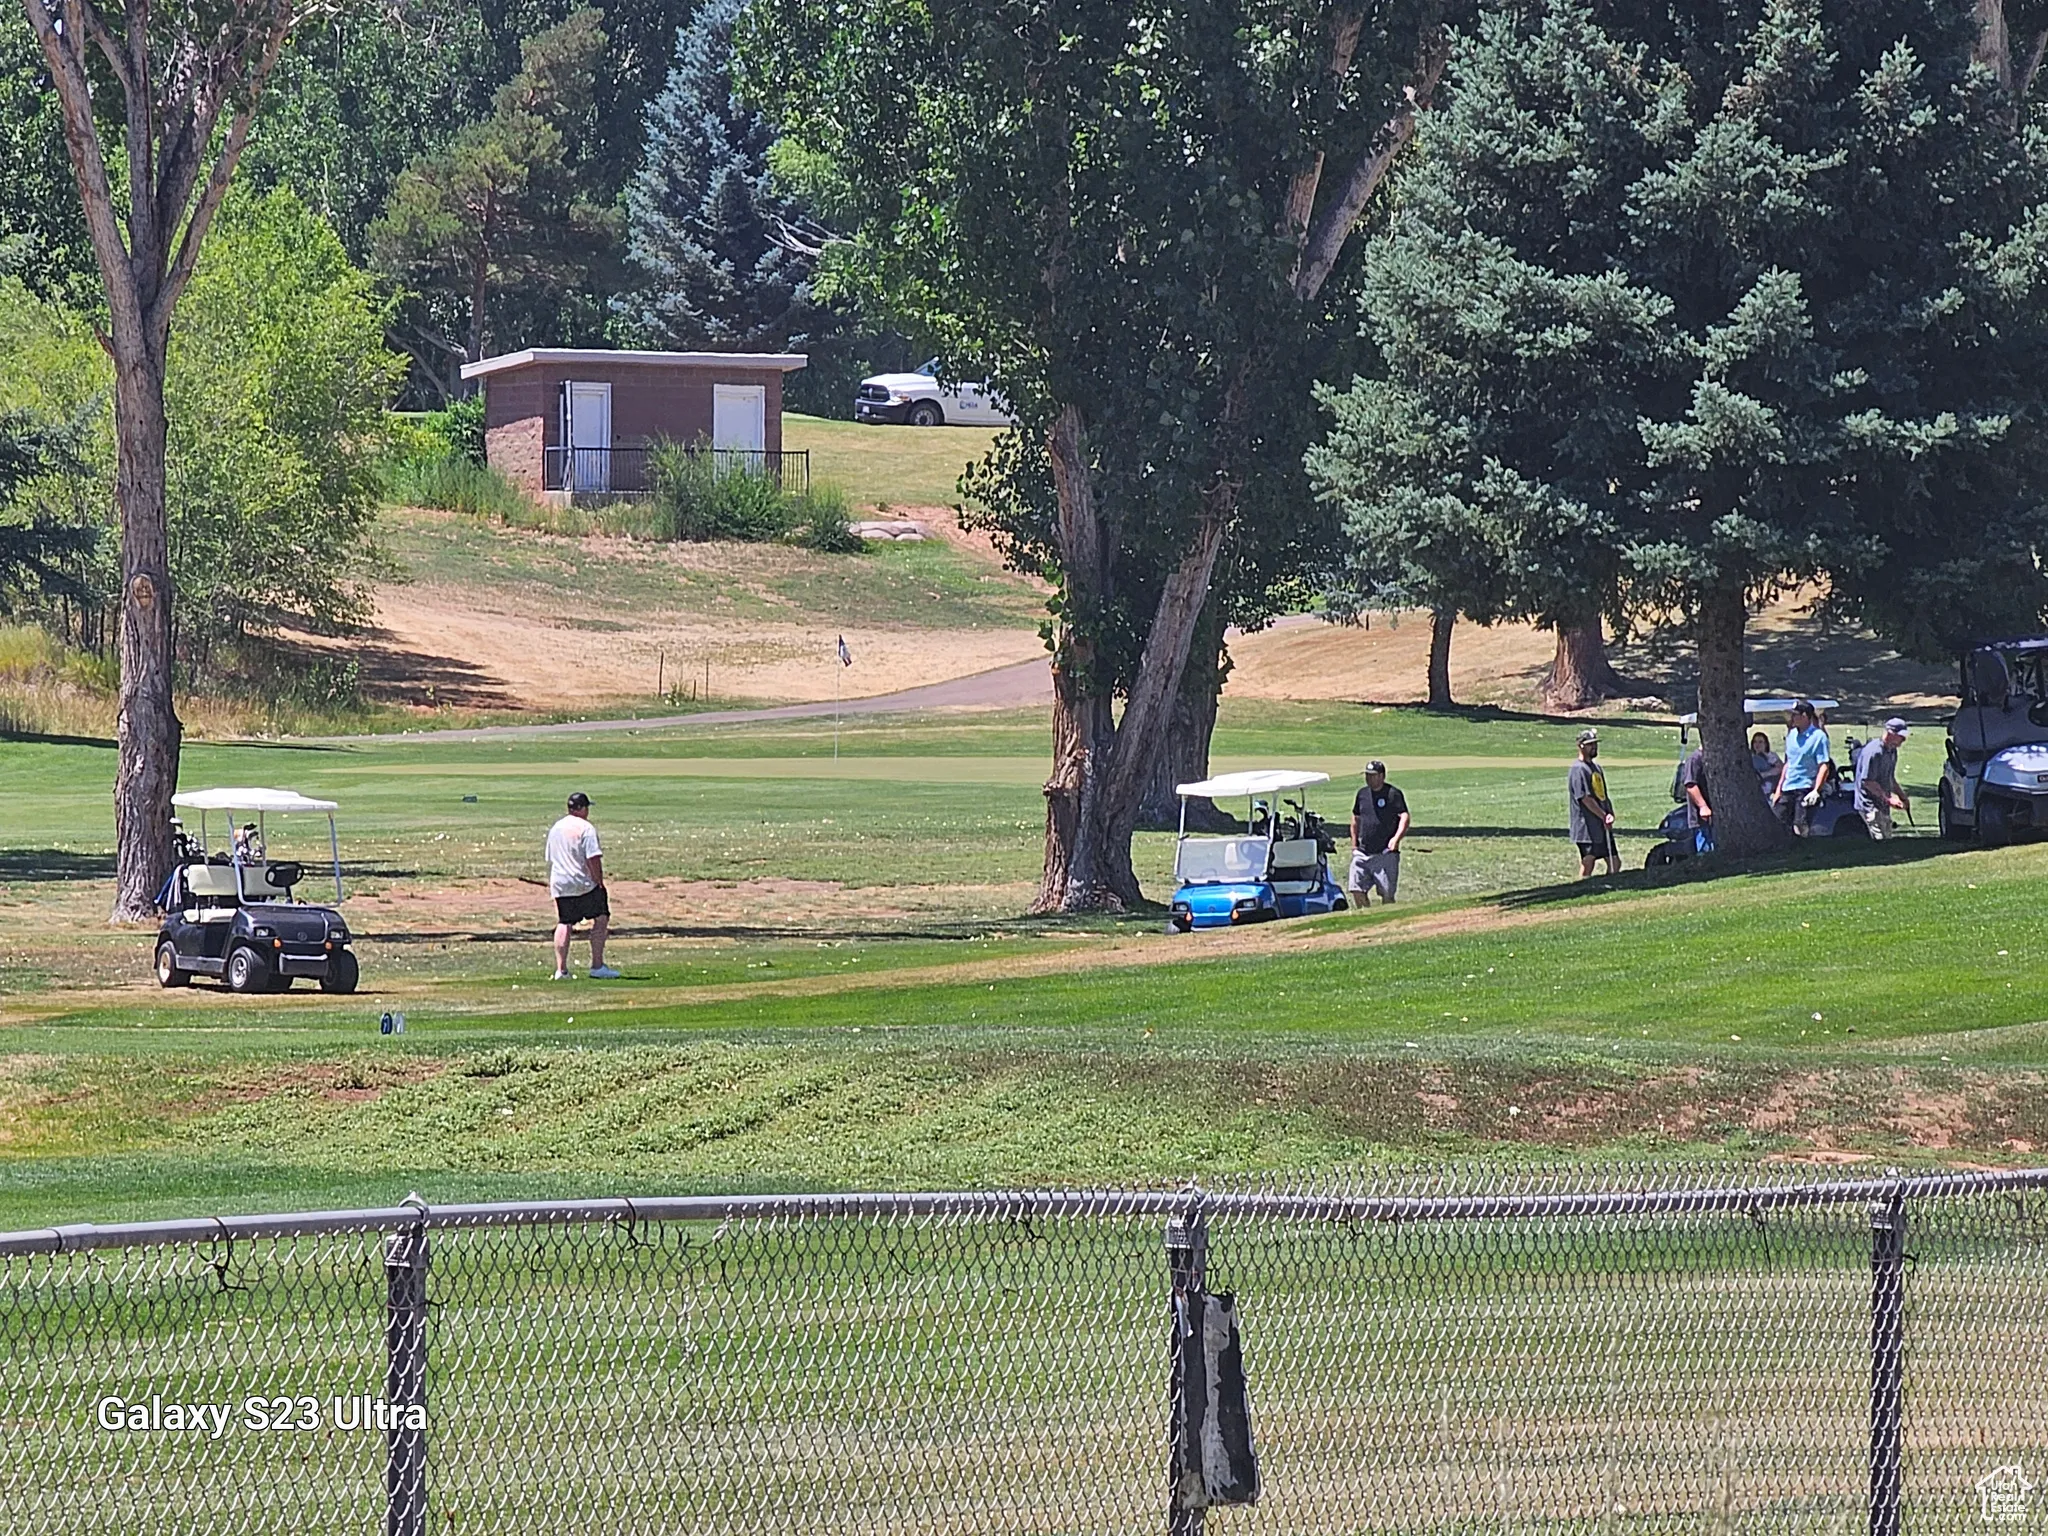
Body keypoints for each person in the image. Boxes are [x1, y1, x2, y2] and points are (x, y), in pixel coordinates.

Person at [546, 791, 618, 980]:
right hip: (584, 882)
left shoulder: (556, 827)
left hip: (561, 883)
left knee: (565, 922)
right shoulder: (586, 828)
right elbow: (592, 858)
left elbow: (551, 856)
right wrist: (599, 880)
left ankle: (561, 970)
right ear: (582, 809)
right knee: (601, 918)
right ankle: (597, 965)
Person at [1348, 759, 1410, 907]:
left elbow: (1404, 816)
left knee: (1387, 894)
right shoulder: (1362, 794)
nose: (1369, 778)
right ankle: (1365, 915)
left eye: (1372, 775)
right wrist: (1354, 844)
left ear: (1382, 776)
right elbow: (1355, 819)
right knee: (1356, 888)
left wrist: (1396, 839)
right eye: (1367, 775)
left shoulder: (1393, 794)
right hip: (1363, 852)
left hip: (1385, 853)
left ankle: (1389, 917)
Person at [1773, 699, 1832, 836]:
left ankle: (1802, 846)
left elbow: (1823, 765)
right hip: (1788, 787)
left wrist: (1816, 790)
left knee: (1800, 825)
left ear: (1805, 716)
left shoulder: (1819, 737)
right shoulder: (1791, 735)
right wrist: (1778, 790)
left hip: (1805, 787)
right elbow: (1788, 763)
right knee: (1777, 821)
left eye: (1795, 715)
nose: (1792, 718)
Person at [1569, 728, 1618, 877]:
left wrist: (1609, 813)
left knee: (1614, 862)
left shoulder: (1596, 768)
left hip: (1601, 824)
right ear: (1581, 746)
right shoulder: (1578, 770)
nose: (1594, 747)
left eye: (1595, 744)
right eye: (1590, 744)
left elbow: (1602, 795)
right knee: (1588, 861)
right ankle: (1583, 886)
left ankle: (1608, 885)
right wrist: (1603, 815)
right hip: (1586, 826)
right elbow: (1585, 798)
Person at [1853, 717, 1911, 839]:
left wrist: (1902, 796)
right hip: (1870, 806)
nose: (1903, 739)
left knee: (1887, 840)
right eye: (1901, 736)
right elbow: (1868, 782)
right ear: (1890, 733)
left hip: (1882, 806)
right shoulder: (1874, 752)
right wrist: (1888, 799)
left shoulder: (1892, 751)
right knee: (1879, 841)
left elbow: (1890, 778)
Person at [1680, 742, 1713, 854]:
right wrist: (1703, 806)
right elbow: (1690, 785)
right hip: (1701, 818)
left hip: (1714, 817)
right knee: (1705, 852)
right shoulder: (1694, 759)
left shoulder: (1712, 759)